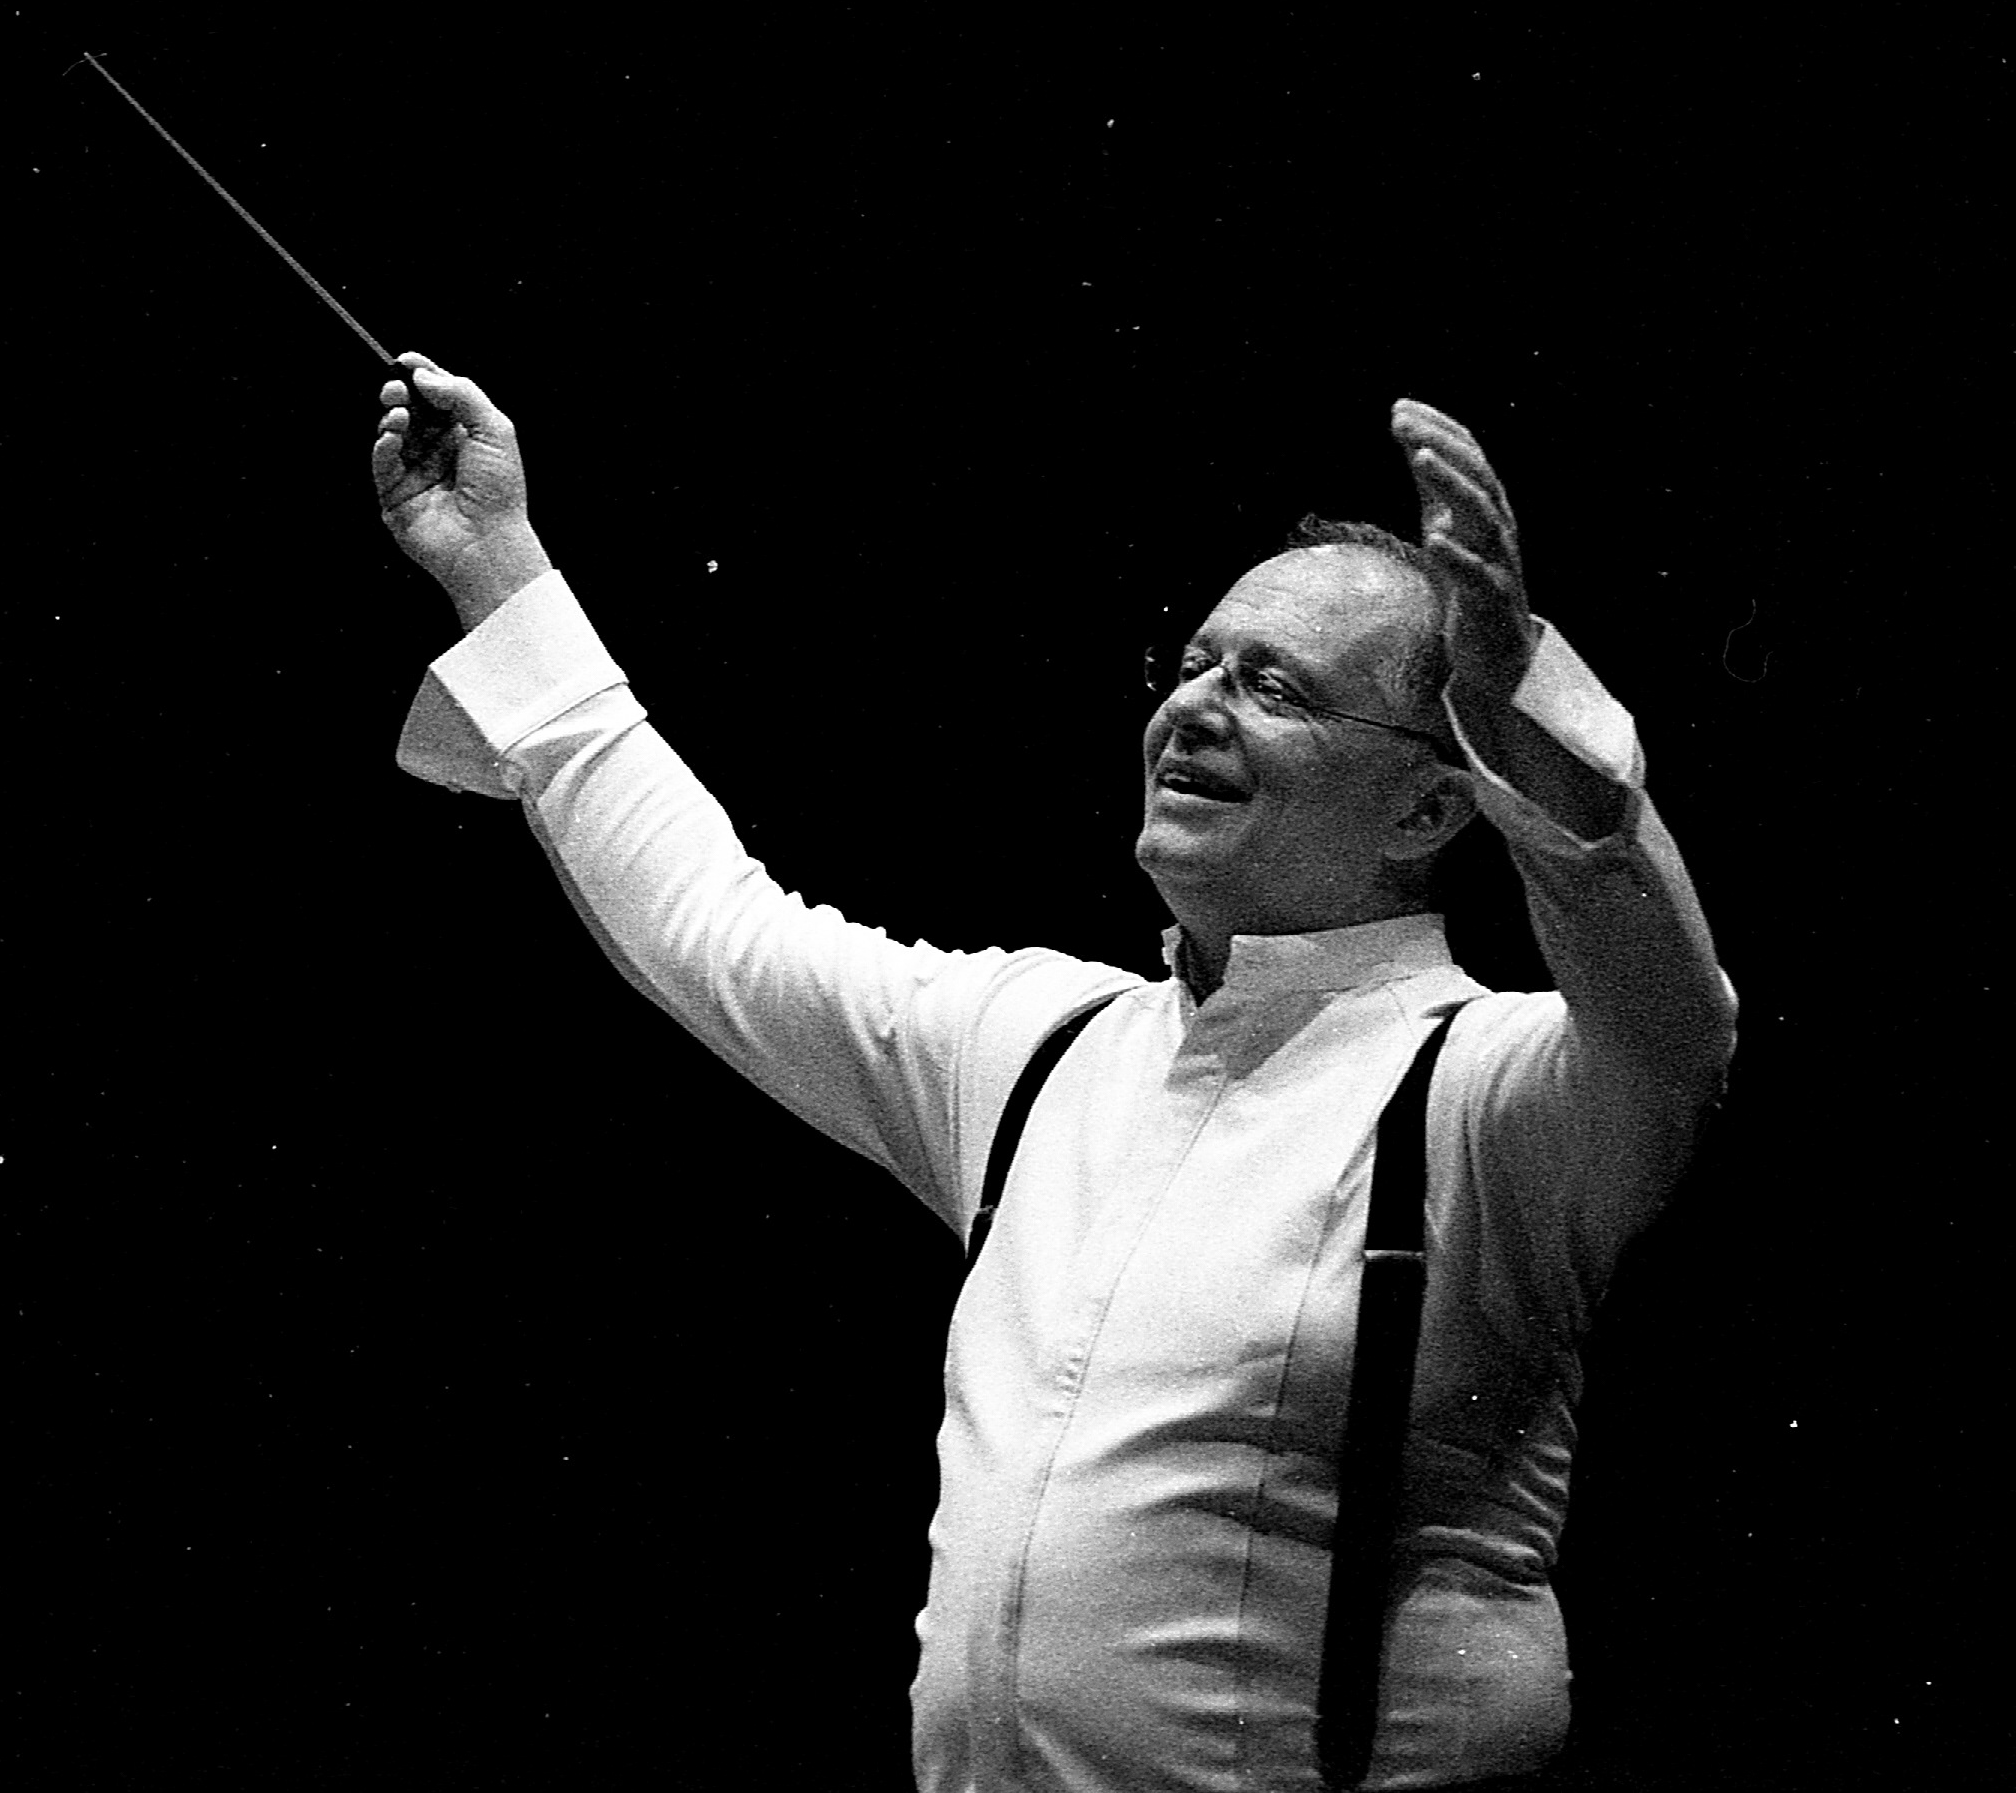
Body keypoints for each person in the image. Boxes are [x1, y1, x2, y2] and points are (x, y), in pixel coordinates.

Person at [370, 353, 1734, 1793]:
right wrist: (498, 566)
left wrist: (1529, 715)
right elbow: (712, 926)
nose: (1193, 709)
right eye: (1193, 666)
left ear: (1430, 806)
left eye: (1273, 688)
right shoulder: (1044, 1045)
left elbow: (1671, 1016)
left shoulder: (1493, 1089)